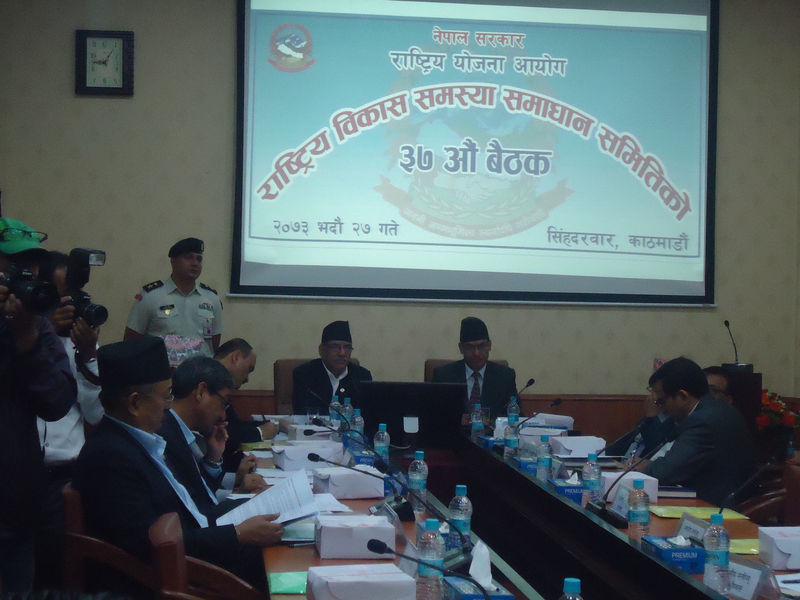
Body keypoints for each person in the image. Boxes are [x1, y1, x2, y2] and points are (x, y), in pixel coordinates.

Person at [73, 337, 282, 592]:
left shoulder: (141, 441)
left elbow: (191, 512)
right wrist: (237, 535)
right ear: (135, 403)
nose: (170, 405)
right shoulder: (110, 458)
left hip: (196, 551)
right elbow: (155, 548)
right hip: (172, 580)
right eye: (166, 396)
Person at [0, 218, 76, 592]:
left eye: (29, 267)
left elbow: (57, 402)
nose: (22, 275)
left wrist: (27, 339)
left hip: (18, 505)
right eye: (12, 265)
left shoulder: (36, 325)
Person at [35, 251, 104, 588]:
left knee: (59, 573)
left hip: (64, 477)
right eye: (58, 298)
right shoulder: (17, 339)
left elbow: (96, 414)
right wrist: (42, 330)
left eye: (72, 298)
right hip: (19, 475)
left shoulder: (83, 345)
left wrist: (88, 355)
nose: (66, 306)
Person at [638, 357, 757, 506]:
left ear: (682, 396)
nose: (661, 407)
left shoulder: (703, 421)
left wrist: (644, 466)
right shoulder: (715, 409)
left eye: (662, 401)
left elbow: (664, 473)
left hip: (717, 509)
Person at [158, 356, 266, 519]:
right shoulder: (166, 440)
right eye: (223, 403)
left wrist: (212, 460)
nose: (223, 416)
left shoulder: (180, 431)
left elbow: (202, 496)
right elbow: (197, 513)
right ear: (201, 392)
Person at [124, 237, 223, 365]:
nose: (195, 263)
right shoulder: (150, 296)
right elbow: (131, 342)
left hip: (201, 373)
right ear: (173, 261)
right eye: (189, 257)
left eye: (199, 259)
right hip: (161, 372)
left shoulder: (212, 299)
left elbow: (213, 344)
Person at [432, 316, 516, 422]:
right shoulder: (443, 376)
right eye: (470, 347)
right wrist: (455, 419)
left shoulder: (505, 376)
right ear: (461, 348)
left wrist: (491, 421)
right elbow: (432, 413)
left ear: (489, 346)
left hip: (492, 432)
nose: (476, 353)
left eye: (481, 346)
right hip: (455, 431)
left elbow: (515, 414)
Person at [292, 320, 372, 414]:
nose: (342, 353)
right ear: (321, 350)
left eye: (347, 347)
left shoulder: (362, 376)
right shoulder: (304, 374)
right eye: (335, 346)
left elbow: (367, 413)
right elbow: (301, 412)